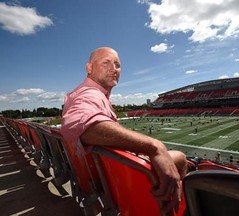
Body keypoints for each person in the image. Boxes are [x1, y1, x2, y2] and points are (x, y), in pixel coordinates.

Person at [61, 47, 187, 214]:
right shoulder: (90, 93)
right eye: (106, 63)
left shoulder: (94, 93)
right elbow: (78, 124)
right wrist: (154, 146)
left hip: (104, 176)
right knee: (182, 158)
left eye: (117, 65)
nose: (114, 69)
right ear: (89, 68)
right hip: (114, 180)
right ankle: (181, 208)